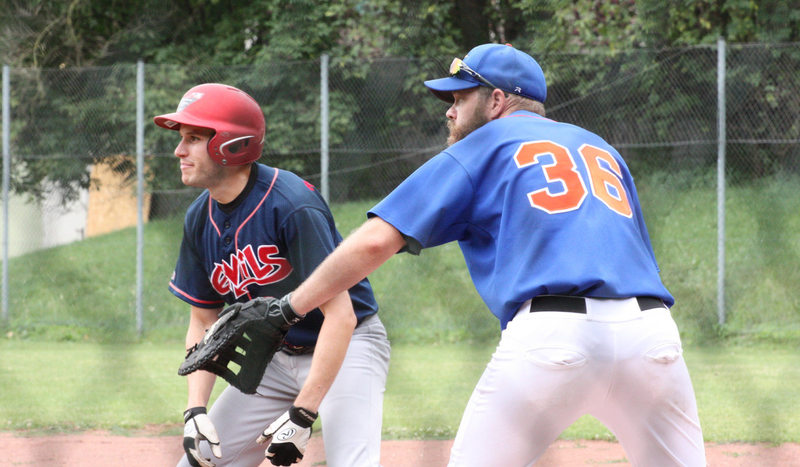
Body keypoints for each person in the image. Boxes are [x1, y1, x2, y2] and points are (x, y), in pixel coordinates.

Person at [276, 44, 706, 466]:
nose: (450, 110)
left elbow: (374, 241)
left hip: (553, 339)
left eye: (460, 97)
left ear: (497, 100)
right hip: (653, 337)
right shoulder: (601, 149)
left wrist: (290, 307)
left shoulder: (487, 143)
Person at [154, 83, 390, 467]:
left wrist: (303, 413)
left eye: (193, 138)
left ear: (230, 144)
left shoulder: (291, 204)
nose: (179, 150)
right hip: (272, 357)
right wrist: (195, 410)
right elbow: (202, 318)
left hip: (347, 346)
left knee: (353, 461)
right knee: (198, 462)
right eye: (182, 139)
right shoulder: (199, 218)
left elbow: (342, 315)